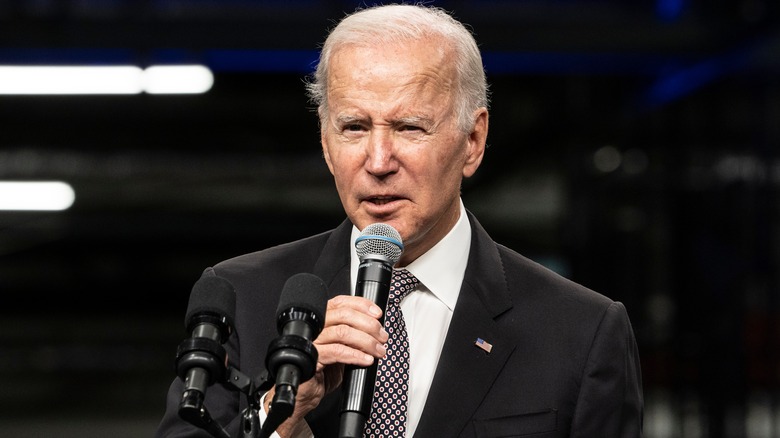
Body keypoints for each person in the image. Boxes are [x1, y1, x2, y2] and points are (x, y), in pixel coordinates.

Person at [157, 4, 643, 437]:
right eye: (354, 127)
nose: (379, 160)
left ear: (473, 141)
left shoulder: (583, 332)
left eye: (409, 127)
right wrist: (279, 416)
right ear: (326, 144)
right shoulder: (241, 300)